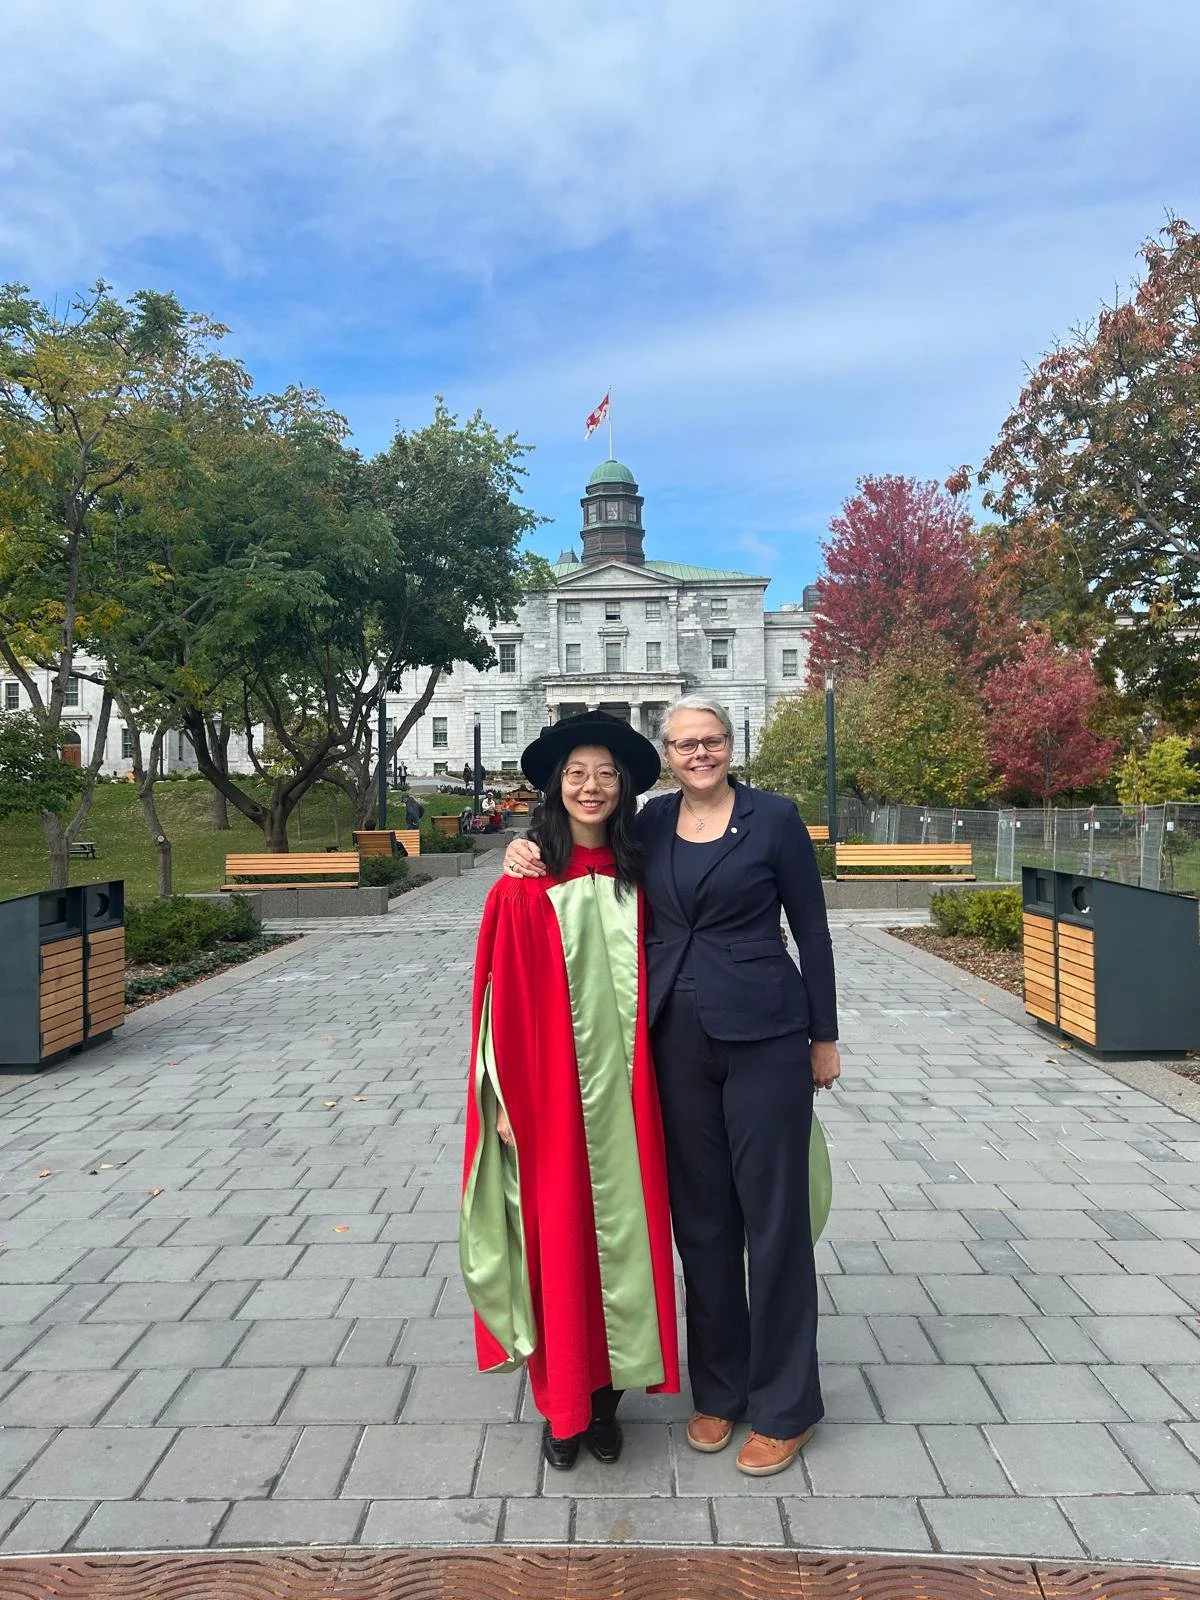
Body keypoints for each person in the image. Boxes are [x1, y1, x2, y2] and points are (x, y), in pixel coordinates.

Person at [503, 695, 840, 1478]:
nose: (699, 753)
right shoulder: (648, 823)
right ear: (668, 751)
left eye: (711, 740)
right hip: (669, 1046)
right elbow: (577, 849)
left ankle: (787, 1407)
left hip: (766, 1038)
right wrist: (521, 849)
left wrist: (824, 1036)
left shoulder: (774, 819)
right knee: (703, 1226)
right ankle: (719, 1392)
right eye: (685, 743)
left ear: (730, 745)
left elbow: (814, 929)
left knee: (775, 1222)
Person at [460, 711, 680, 1471]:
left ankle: (610, 1399)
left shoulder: (643, 876)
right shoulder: (523, 888)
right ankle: (563, 1409)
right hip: (549, 1100)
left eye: (607, 775)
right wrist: (503, 1104)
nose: (591, 787)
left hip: (630, 1100)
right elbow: (497, 1009)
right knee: (557, 1246)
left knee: (625, 1245)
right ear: (556, 785)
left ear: (624, 790)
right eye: (578, 774)